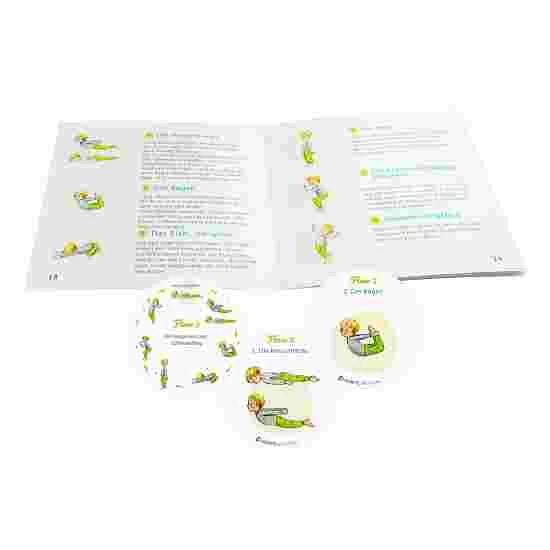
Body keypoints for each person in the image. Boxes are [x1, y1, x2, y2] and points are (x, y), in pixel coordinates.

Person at [247, 393, 314, 429]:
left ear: (259, 405)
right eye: (249, 404)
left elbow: (272, 411)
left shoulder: (261, 412)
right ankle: (303, 422)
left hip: (277, 420)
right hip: (276, 422)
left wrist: (282, 411)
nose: (249, 406)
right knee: (288, 424)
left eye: (252, 405)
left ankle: (303, 422)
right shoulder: (257, 413)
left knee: (289, 424)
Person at [245, 366, 319, 385]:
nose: (255, 382)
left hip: (282, 377)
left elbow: (275, 381)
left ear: (256, 375)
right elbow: (275, 378)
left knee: (295, 378)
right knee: (296, 378)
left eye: (254, 380)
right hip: (282, 375)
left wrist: (285, 382)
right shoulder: (264, 376)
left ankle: (309, 378)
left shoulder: (265, 379)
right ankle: (309, 378)